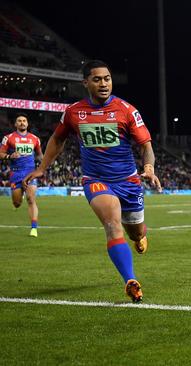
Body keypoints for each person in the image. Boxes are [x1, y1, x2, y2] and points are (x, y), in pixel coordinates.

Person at [22, 60, 161, 302]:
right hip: (96, 180)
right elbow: (57, 139)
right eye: (97, 79)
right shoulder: (74, 112)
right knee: (111, 223)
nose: (104, 83)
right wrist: (42, 167)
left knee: (135, 233)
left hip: (128, 182)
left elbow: (145, 146)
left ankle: (139, 236)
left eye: (107, 78)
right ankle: (130, 280)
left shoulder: (127, 110)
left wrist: (148, 167)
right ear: (85, 82)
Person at [0, 113, 43, 237]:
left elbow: (40, 155)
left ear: (27, 123)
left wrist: (44, 165)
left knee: (31, 199)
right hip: (16, 172)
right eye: (19, 121)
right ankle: (19, 197)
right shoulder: (8, 138)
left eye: (24, 120)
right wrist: (9, 156)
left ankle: (34, 228)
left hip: (30, 172)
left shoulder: (35, 139)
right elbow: (1, 153)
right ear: (15, 124)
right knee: (17, 203)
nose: (22, 122)